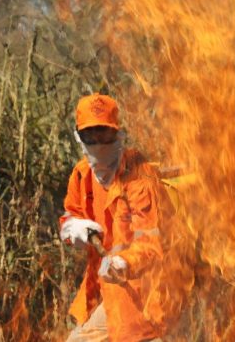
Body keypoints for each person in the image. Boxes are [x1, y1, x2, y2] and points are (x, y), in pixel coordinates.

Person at [59, 93, 169, 342]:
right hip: (105, 288)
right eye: (91, 136)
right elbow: (70, 214)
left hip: (148, 290)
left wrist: (123, 263)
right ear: (79, 137)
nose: (98, 143)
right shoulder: (81, 174)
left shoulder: (141, 179)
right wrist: (71, 228)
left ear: (118, 135)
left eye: (104, 135)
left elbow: (151, 246)